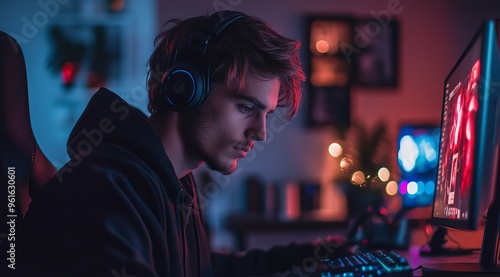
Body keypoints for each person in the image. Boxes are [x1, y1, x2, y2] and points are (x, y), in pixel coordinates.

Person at [18, 10, 350, 277]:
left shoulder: (173, 182)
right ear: (185, 88)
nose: (260, 133)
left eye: (265, 114)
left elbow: (206, 269)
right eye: (247, 107)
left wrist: (322, 253)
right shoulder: (107, 191)